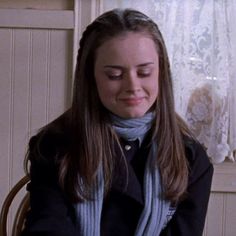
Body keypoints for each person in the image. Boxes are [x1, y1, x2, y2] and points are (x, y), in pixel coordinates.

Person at [22, 8, 213, 236]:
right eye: (114, 75)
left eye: (144, 72)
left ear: (161, 74)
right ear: (91, 78)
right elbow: (47, 229)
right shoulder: (53, 146)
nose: (132, 86)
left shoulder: (191, 158)